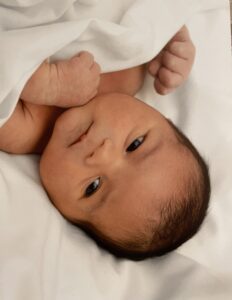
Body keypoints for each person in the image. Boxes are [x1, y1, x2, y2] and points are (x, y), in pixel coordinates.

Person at [0, 26, 210, 260]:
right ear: (158, 115)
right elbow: (138, 13)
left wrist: (49, 85)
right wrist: (171, 38)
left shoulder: (24, 129)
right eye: (134, 145)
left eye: (93, 187)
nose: (100, 155)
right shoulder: (128, 74)